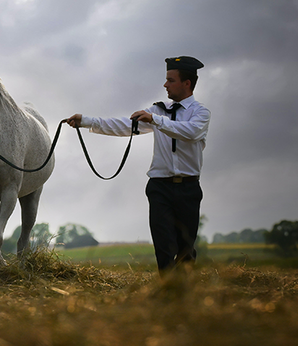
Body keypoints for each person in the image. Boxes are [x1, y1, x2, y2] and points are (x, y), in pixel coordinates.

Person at [66, 56, 211, 276]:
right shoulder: (158, 110)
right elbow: (125, 125)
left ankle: (185, 297)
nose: (165, 85)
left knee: (186, 249)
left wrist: (155, 120)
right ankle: (166, 292)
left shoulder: (200, 113)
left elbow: (190, 132)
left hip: (189, 188)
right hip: (159, 186)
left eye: (170, 80)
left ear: (187, 83)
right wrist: (86, 120)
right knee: (163, 246)